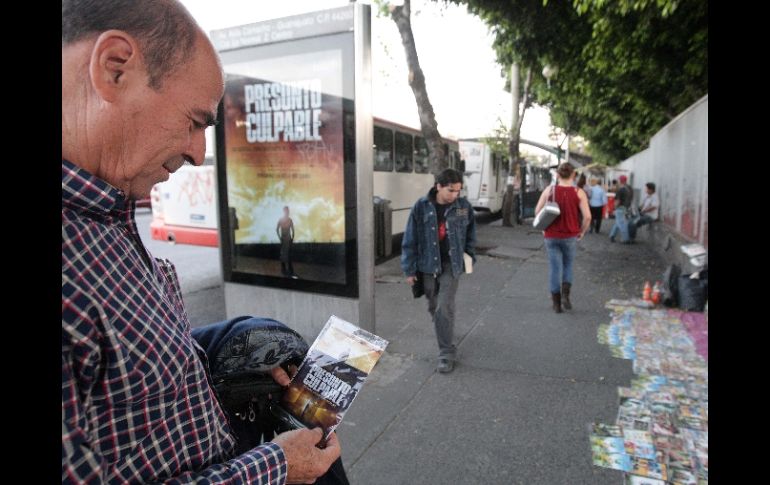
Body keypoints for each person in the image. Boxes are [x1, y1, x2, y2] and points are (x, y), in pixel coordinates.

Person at [62, 1, 341, 483]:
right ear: (114, 67)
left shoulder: (105, 207)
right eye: (194, 121)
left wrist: (229, 343)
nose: (198, 152)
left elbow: (122, 384)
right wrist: (276, 465)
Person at [401, 168, 476, 374]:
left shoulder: (463, 207)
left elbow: (470, 233)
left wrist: (470, 256)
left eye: (458, 191)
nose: (455, 195)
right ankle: (445, 331)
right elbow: (410, 238)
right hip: (427, 265)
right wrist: (409, 269)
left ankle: (445, 353)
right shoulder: (421, 206)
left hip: (451, 266)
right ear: (439, 187)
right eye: (451, 191)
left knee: (444, 306)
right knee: (434, 307)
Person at [534, 163, 591, 313]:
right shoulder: (579, 192)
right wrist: (582, 231)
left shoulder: (549, 190)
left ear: (557, 175)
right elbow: (588, 217)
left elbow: (537, 210)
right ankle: (566, 296)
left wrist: (543, 227)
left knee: (554, 268)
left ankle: (556, 304)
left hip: (551, 236)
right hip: (570, 236)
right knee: (568, 266)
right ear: (573, 176)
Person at [608, 175, 633, 244]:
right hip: (626, 207)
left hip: (620, 207)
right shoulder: (629, 188)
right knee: (618, 222)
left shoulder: (621, 189)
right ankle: (612, 235)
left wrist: (614, 208)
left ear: (620, 181)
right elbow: (631, 198)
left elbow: (617, 200)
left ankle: (625, 239)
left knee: (621, 224)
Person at [277, 206, 298, 278]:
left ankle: (289, 269)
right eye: (286, 211)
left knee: (288, 253)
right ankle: (285, 268)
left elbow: (293, 230)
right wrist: (280, 238)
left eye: (288, 211)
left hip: (287, 239)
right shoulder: (282, 219)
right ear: (284, 211)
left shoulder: (289, 220)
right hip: (284, 239)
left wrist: (292, 238)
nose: (287, 212)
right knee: (284, 253)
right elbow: (277, 229)